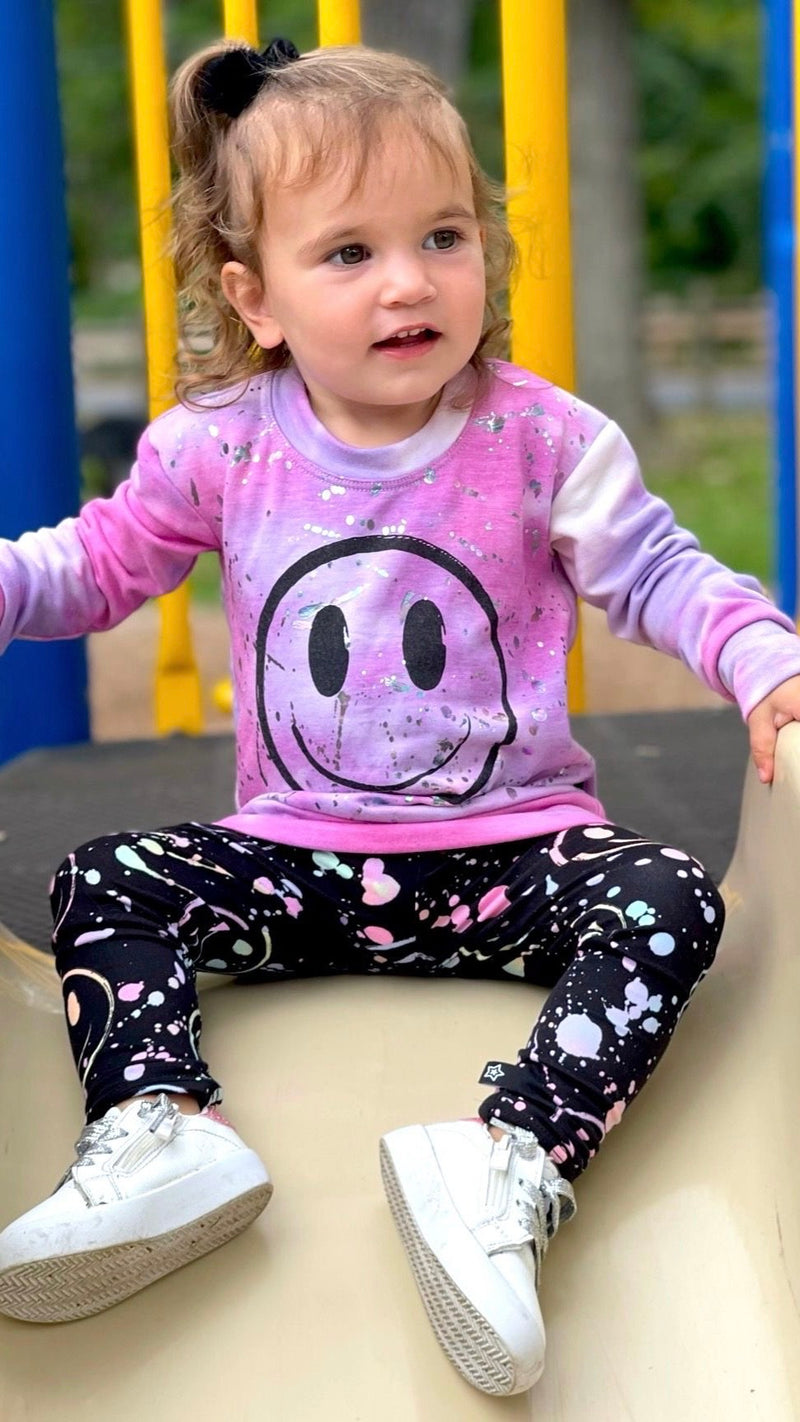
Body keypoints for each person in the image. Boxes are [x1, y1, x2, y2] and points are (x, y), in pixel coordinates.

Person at [0, 36, 798, 1396]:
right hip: (296, 861)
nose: (411, 281)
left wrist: (765, 660)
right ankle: (155, 1120)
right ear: (256, 298)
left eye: (442, 234)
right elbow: (99, 564)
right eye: (350, 254)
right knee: (107, 879)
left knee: (669, 900)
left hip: (514, 861)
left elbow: (660, 569)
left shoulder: (544, 439)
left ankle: (509, 1168)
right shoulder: (221, 442)